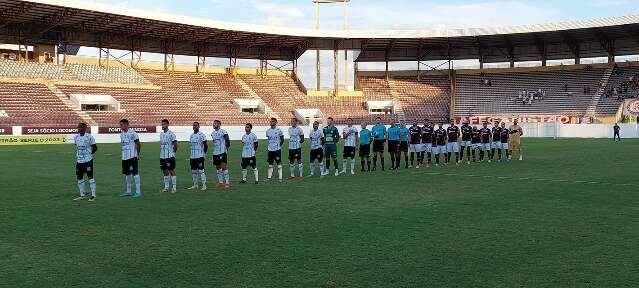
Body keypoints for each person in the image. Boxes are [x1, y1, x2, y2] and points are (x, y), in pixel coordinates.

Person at [73, 122, 97, 201]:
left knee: (90, 177)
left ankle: (93, 195)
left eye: (81, 127)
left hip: (88, 161)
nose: (79, 129)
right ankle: (82, 195)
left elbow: (95, 147)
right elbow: (77, 147)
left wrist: (89, 154)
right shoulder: (76, 137)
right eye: (78, 127)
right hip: (79, 161)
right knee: (79, 178)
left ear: (85, 128)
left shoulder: (89, 137)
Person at [118, 119, 142, 198]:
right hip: (124, 157)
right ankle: (128, 191)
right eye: (120, 124)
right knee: (127, 173)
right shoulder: (121, 133)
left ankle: (138, 192)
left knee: (135, 173)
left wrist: (137, 154)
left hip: (132, 156)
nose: (120, 126)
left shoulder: (133, 133)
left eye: (121, 124)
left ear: (126, 124)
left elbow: (138, 144)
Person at [188, 122, 208, 191]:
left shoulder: (201, 135)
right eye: (193, 125)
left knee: (201, 171)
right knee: (193, 171)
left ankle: (204, 185)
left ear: (199, 126)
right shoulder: (191, 135)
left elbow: (206, 145)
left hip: (199, 156)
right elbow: (191, 145)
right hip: (192, 157)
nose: (194, 126)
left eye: (196, 125)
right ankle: (195, 185)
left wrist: (203, 153)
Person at [211, 120, 231, 189]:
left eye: (215, 123)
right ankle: (220, 182)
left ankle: (227, 183)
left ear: (219, 124)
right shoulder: (212, 133)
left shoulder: (223, 131)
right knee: (218, 168)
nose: (213, 124)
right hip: (215, 153)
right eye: (213, 123)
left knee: (223, 167)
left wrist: (226, 148)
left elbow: (227, 140)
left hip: (222, 152)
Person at [159, 119, 178, 193]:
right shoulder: (161, 134)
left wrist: (173, 153)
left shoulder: (171, 134)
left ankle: (174, 188)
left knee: (171, 170)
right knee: (164, 171)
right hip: (162, 156)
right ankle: (166, 187)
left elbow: (176, 145)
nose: (162, 126)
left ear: (167, 124)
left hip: (169, 156)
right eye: (162, 124)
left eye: (164, 124)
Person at [266, 118, 284, 183]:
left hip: (277, 150)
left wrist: (278, 146)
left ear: (276, 122)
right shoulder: (268, 131)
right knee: (270, 164)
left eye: (273, 121)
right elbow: (269, 139)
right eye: (270, 121)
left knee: (279, 164)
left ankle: (280, 178)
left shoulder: (279, 130)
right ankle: (269, 177)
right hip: (270, 150)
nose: (271, 122)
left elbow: (282, 139)